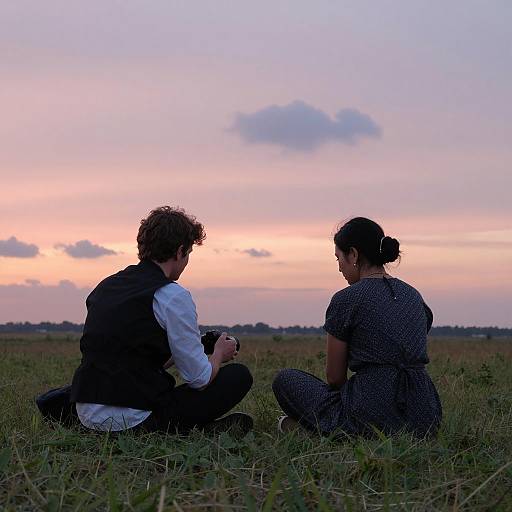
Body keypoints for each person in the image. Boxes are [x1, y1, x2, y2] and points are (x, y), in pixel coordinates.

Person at [70, 206, 253, 435]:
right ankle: (196, 432)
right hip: (136, 420)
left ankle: (198, 430)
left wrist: (183, 351)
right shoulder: (173, 295)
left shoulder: (107, 286)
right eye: (188, 254)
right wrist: (218, 355)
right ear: (179, 251)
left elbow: (131, 357)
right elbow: (199, 379)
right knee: (238, 376)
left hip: (87, 413)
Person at [272, 217, 442, 438]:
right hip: (425, 414)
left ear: (353, 254)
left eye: (338, 258)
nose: (339, 267)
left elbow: (335, 378)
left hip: (371, 411)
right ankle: (336, 427)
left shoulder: (347, 299)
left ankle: (332, 429)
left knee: (286, 380)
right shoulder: (414, 296)